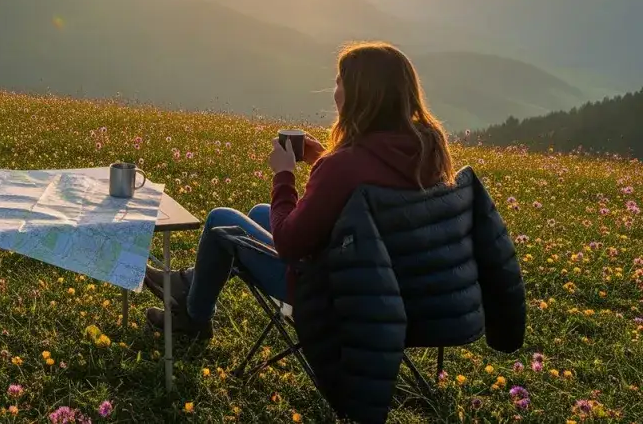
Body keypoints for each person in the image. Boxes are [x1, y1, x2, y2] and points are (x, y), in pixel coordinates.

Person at [143, 41, 455, 338]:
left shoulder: (344, 165)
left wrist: (284, 174)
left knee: (221, 220)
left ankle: (193, 318)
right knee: (258, 215)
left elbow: (290, 243)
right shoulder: (427, 153)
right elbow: (365, 183)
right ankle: (186, 283)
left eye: (339, 82)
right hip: (398, 289)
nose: (335, 92)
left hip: (328, 292)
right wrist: (323, 159)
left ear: (360, 95)